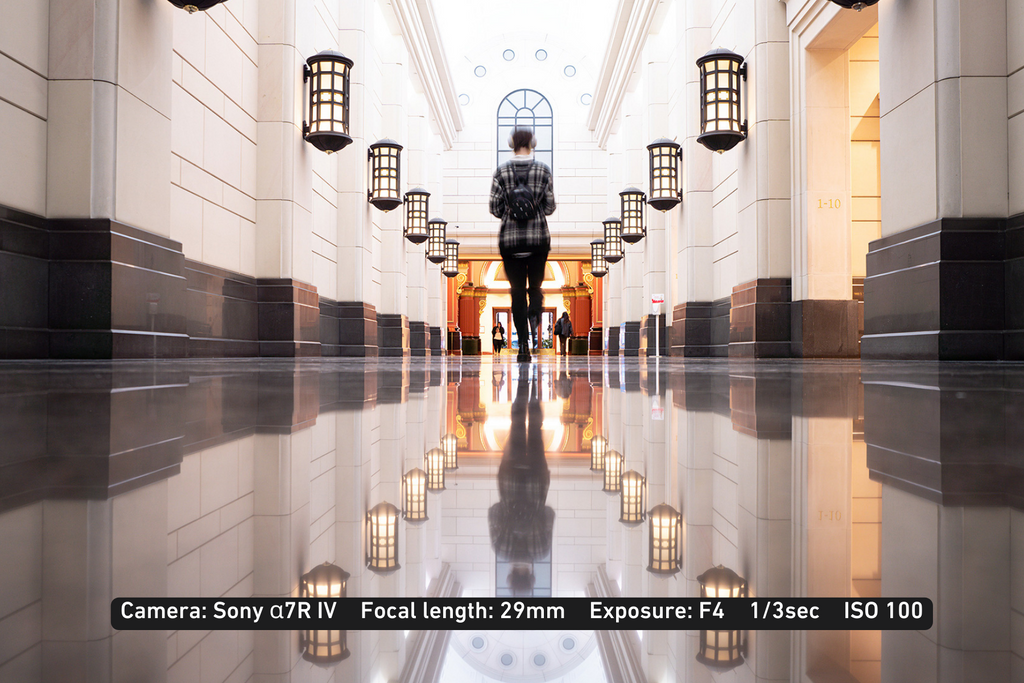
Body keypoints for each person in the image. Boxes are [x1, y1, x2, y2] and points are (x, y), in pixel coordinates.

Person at [489, 127, 556, 362]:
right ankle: (534, 311)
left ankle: (524, 346)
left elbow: (494, 208)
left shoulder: (501, 172)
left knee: (517, 293)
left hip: (510, 241)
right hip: (538, 240)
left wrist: (510, 209)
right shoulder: (543, 170)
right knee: (534, 288)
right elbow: (549, 207)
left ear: (511, 144)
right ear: (533, 143)